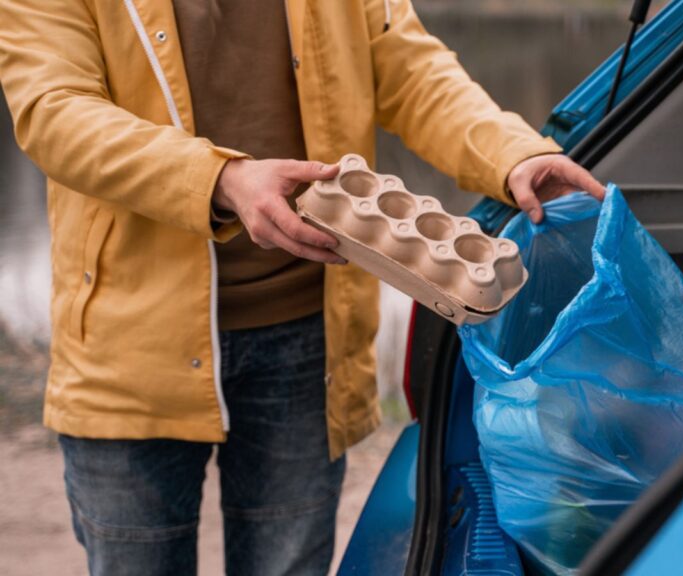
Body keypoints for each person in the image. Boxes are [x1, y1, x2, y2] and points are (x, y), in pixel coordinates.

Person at [0, 0, 605, 574]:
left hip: (307, 341)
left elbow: (412, 72)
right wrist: (220, 178)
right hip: (130, 348)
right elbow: (55, 110)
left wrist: (513, 156)